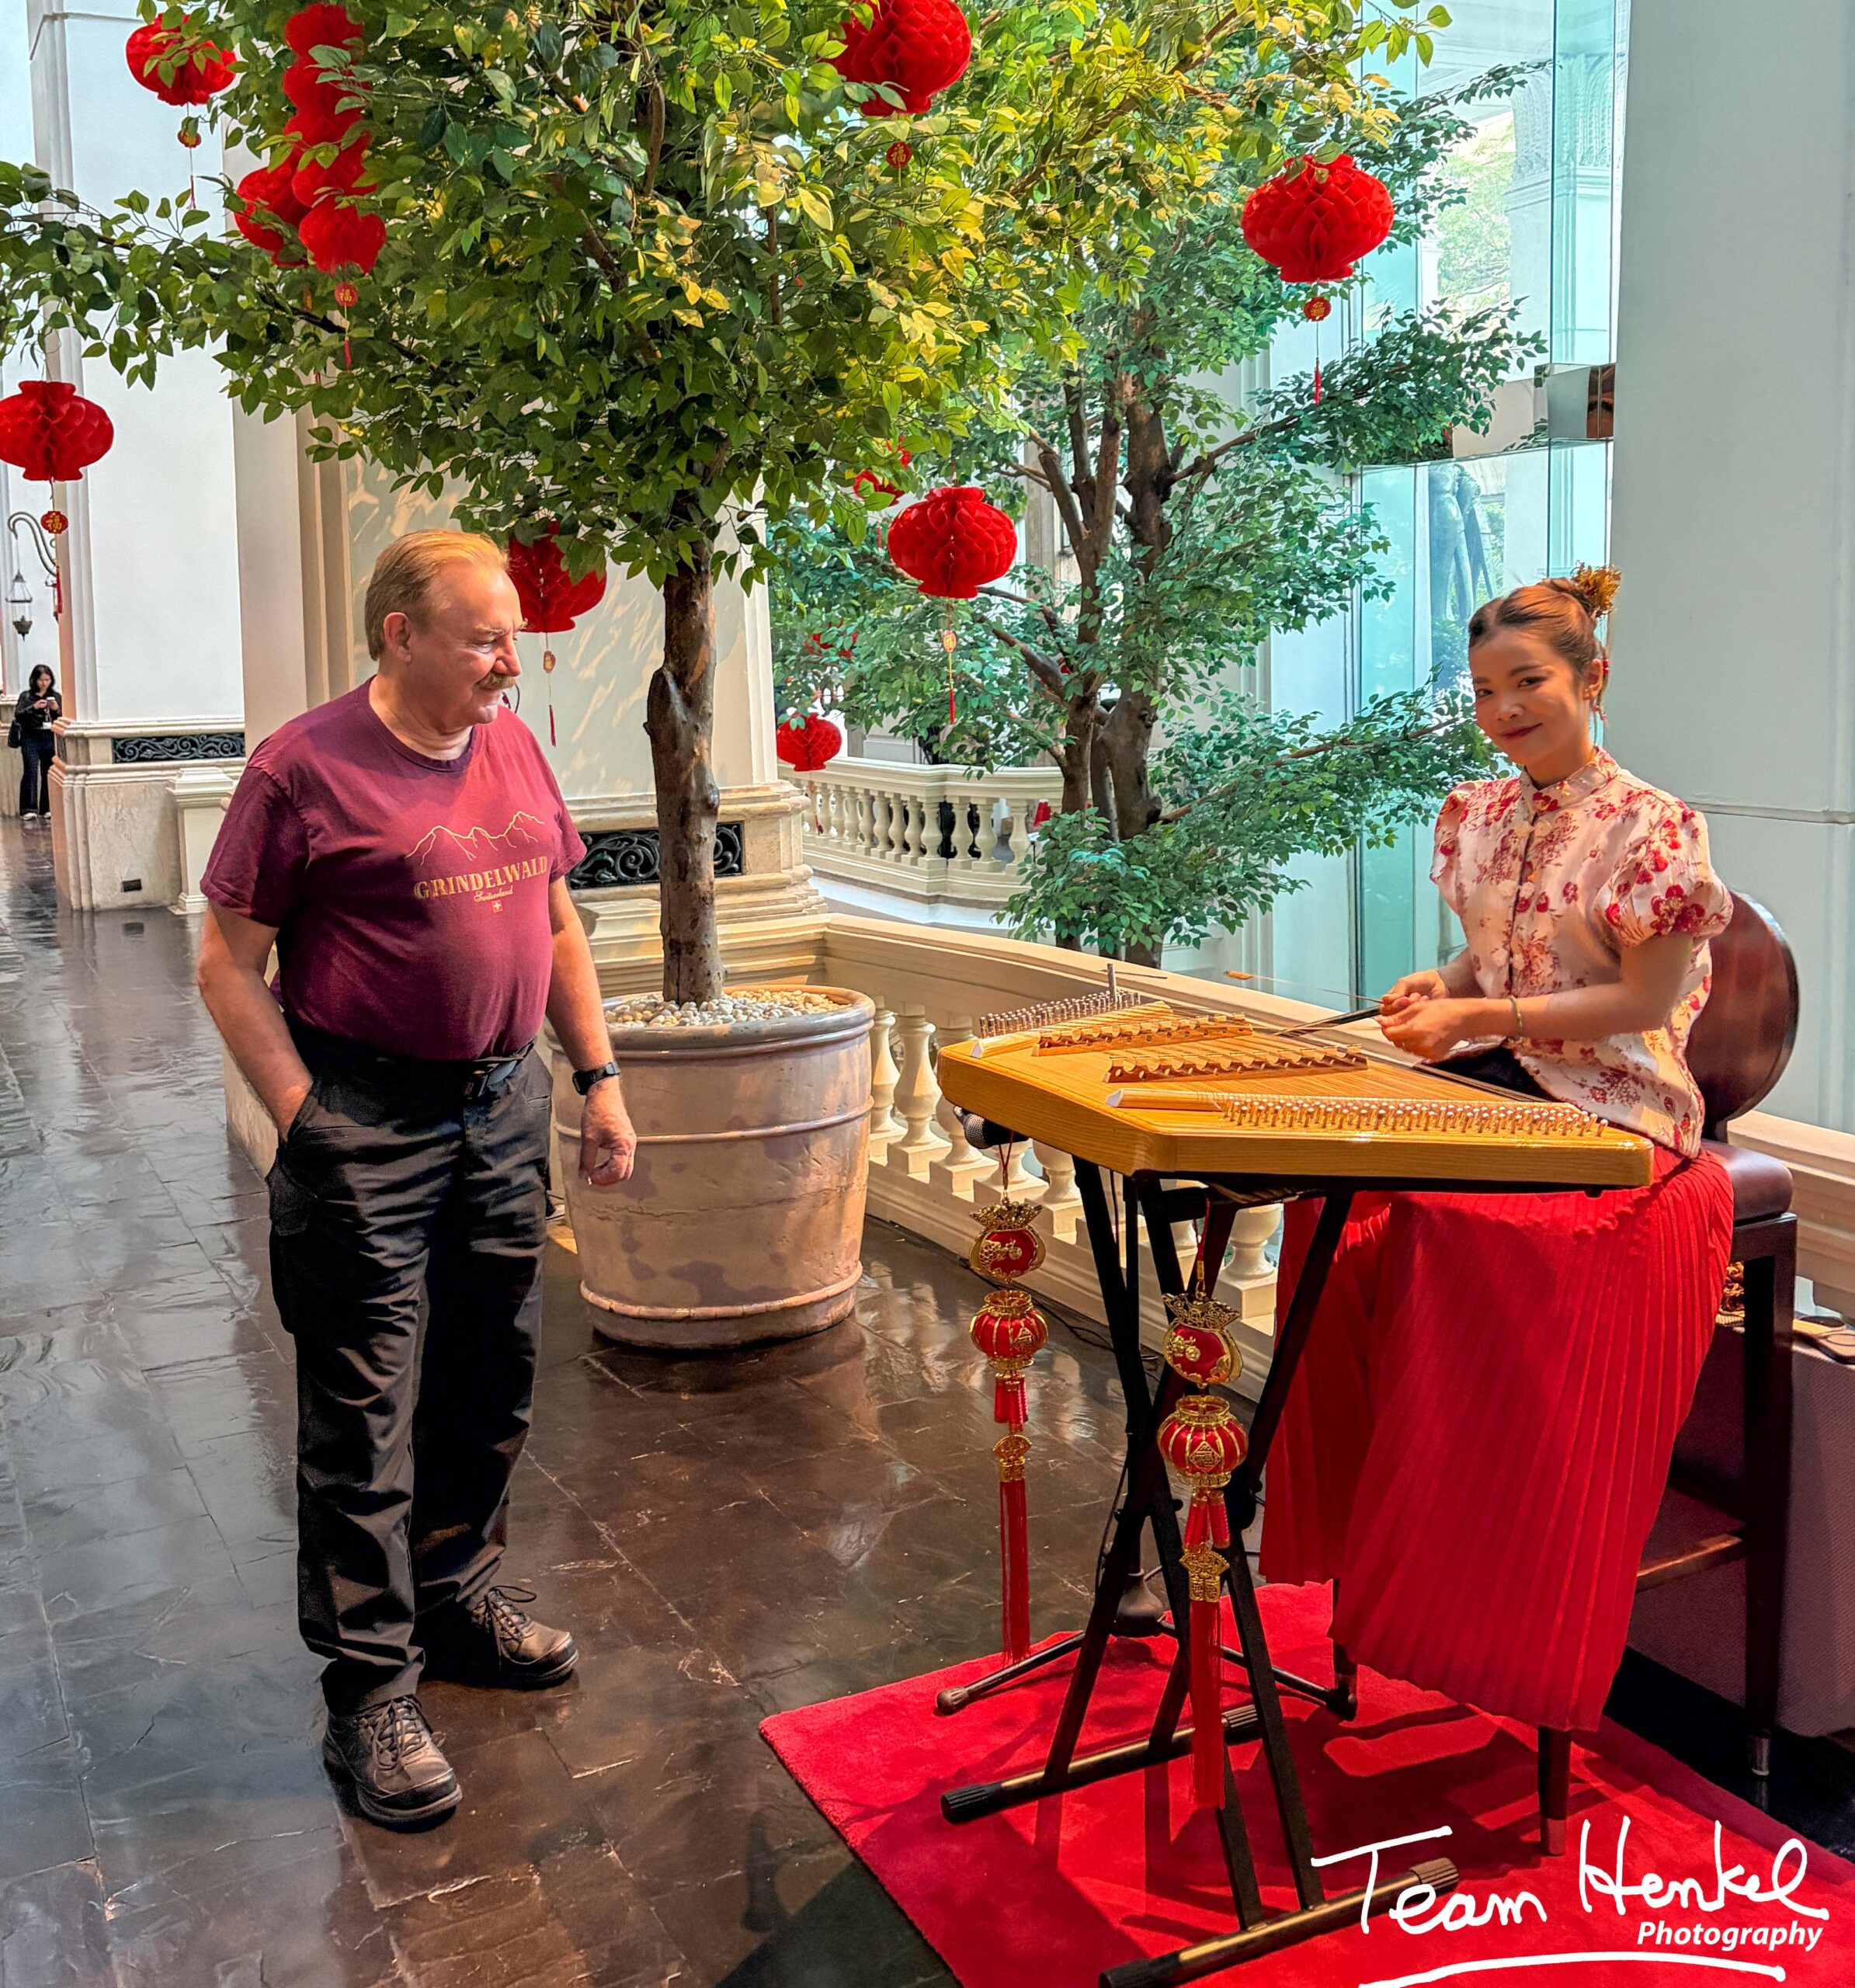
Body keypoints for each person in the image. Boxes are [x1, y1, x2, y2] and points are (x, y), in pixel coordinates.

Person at [196, 530, 637, 1830]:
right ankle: (370, 1693)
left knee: (489, 1384)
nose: (510, 662)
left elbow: (555, 920)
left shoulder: (510, 743)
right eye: (484, 639)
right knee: (363, 1417)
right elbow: (226, 964)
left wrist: (598, 1079)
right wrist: (305, 1119)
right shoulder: (300, 768)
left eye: (512, 639)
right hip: (367, 1119)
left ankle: (456, 1602)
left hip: (500, 1109)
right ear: (400, 635)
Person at [1261, 565, 1735, 1742]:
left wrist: (1479, 1016)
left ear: (1592, 677)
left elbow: (1641, 1004)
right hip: (1506, 1083)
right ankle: (1366, 1533)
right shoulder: (1475, 813)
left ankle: (1475, 1591)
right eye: (1483, 691)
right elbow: (1482, 960)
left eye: (1528, 682)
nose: (1504, 710)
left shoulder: (1656, 827)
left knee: (1451, 1237)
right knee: (1325, 1210)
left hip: (1617, 1109)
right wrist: (1442, 985)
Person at [14, 665, 60, 822]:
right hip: (31, 737)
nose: (44, 683)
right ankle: (28, 808)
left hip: (48, 737)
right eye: (41, 680)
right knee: (30, 770)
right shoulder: (27, 696)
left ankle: (47, 807)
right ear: (35, 680)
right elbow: (18, 714)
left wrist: (55, 709)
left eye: (47, 680)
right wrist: (33, 707)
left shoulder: (55, 696)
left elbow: (61, 717)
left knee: (48, 772)